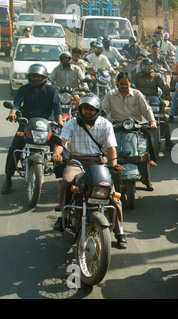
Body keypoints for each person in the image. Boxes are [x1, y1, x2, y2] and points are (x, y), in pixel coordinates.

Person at [51, 93, 128, 249]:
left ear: (97, 110)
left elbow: (111, 148)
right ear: (80, 109)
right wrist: (57, 153)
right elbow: (62, 140)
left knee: (112, 196)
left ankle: (119, 231)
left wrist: (114, 164)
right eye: (85, 108)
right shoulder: (71, 123)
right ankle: (62, 214)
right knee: (66, 181)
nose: (87, 111)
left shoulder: (105, 124)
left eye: (91, 109)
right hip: (76, 161)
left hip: (98, 161)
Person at [2, 64, 63, 194]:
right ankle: (8, 179)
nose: (35, 79)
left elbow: (57, 108)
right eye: (33, 76)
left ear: (44, 77)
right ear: (29, 77)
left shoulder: (51, 90)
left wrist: (60, 121)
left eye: (38, 76)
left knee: (59, 149)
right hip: (27, 123)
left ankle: (62, 183)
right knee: (14, 148)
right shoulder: (23, 89)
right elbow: (16, 103)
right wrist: (12, 113)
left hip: (47, 124)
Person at [102, 72, 158, 191]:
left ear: (129, 83)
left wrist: (152, 121)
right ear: (117, 83)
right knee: (106, 150)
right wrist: (99, 122)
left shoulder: (137, 94)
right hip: (116, 126)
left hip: (136, 126)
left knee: (144, 152)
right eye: (121, 84)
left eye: (126, 84)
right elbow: (104, 110)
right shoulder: (110, 95)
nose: (123, 86)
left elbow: (146, 109)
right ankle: (106, 176)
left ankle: (147, 178)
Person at [131, 58, 175, 150]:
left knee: (163, 118)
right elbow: (132, 85)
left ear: (152, 66)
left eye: (149, 65)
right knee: (132, 119)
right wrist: (133, 87)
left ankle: (168, 140)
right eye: (145, 65)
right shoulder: (136, 76)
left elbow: (163, 86)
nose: (147, 67)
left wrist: (168, 91)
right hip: (139, 102)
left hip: (153, 102)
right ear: (141, 66)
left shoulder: (156, 76)